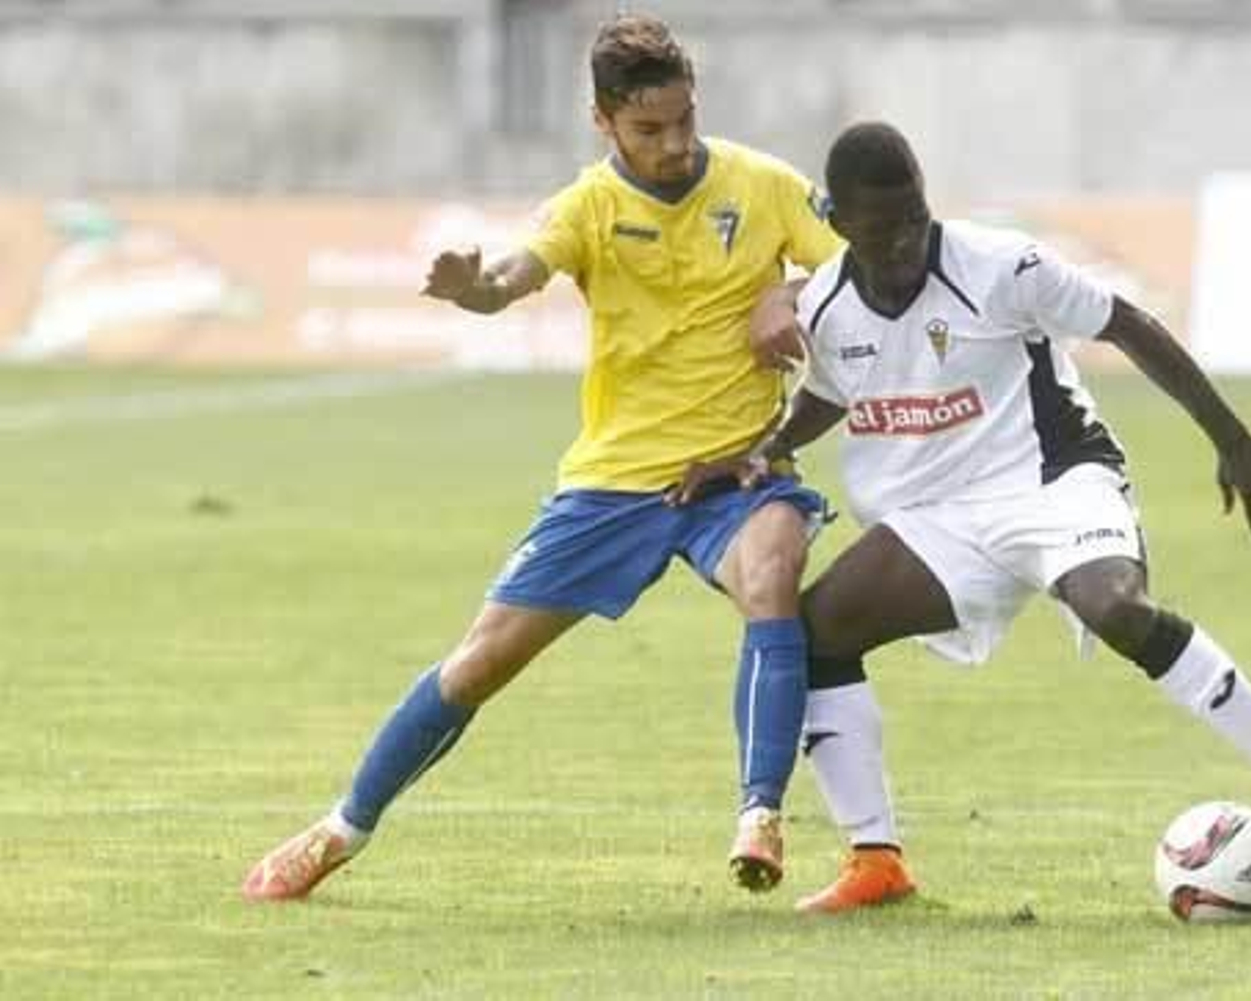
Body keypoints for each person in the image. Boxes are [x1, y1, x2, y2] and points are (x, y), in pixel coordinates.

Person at [677, 121, 1251, 914]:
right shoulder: (830, 303)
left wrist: (1233, 440)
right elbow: (832, 393)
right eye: (883, 229)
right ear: (840, 224)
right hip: (942, 515)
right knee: (820, 631)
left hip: (1055, 480)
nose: (906, 241)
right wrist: (764, 450)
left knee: (1116, 607)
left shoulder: (1002, 265)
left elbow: (1130, 324)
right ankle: (876, 859)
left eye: (914, 218)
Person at [241, 14, 843, 902]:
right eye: (649, 128)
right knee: (479, 662)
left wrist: (791, 290)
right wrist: (471, 290)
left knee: (774, 569)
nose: (675, 143)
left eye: (684, 120)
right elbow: (515, 276)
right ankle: (340, 828)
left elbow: (861, 274)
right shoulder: (588, 208)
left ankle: (760, 813)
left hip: (736, 471)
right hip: (613, 482)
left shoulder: (764, 185)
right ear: (603, 122)